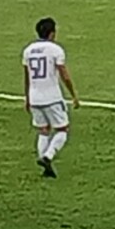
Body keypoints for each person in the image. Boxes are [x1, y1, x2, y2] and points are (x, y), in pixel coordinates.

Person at [23, 17, 79, 178]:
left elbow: (26, 76)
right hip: (52, 97)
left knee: (43, 130)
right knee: (62, 129)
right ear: (52, 33)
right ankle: (48, 156)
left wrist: (27, 97)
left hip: (34, 97)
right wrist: (73, 95)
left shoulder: (28, 50)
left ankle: (45, 165)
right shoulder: (55, 50)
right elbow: (64, 75)